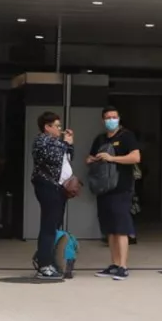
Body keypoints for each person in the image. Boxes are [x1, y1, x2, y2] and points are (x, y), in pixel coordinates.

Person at [86, 106, 141, 280]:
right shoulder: (100, 139)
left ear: (119, 118)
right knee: (110, 229)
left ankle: (123, 266)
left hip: (121, 188)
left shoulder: (126, 136)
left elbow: (135, 157)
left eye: (114, 117)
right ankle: (114, 264)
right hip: (104, 189)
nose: (111, 120)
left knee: (121, 228)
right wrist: (93, 159)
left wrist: (112, 158)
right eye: (108, 117)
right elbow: (88, 158)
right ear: (103, 120)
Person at [30, 111, 74, 281]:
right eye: (56, 126)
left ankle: (47, 258)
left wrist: (69, 145)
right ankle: (43, 265)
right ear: (47, 127)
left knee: (54, 224)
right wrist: (66, 143)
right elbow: (54, 158)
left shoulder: (56, 142)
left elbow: (68, 157)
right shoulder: (42, 140)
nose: (59, 129)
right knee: (48, 226)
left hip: (58, 188)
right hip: (47, 187)